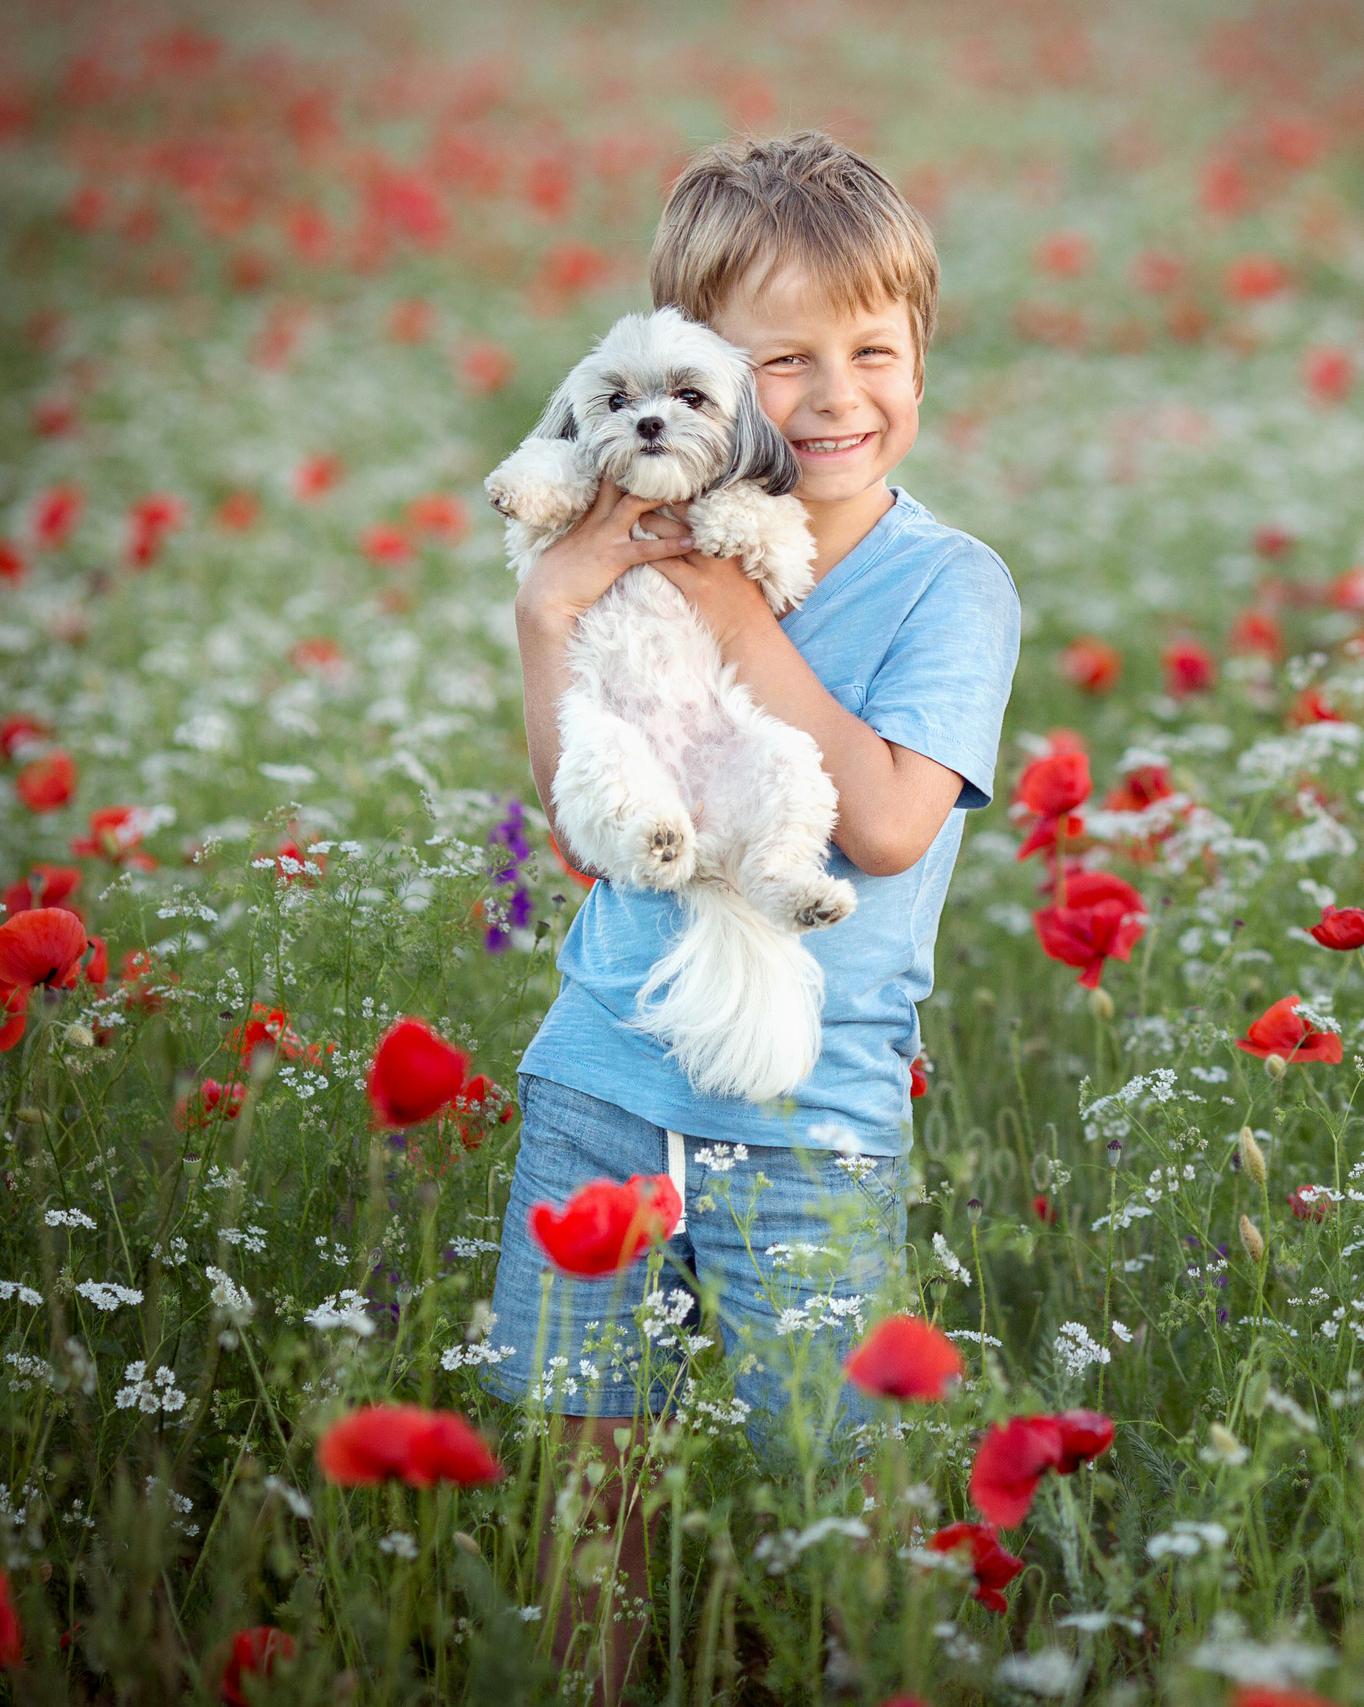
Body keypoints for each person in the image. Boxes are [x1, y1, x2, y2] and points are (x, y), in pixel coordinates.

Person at [484, 130, 1019, 1700]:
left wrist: (722, 603)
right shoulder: (617, 538)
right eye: (783, 361)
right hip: (601, 1077)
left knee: (848, 1492)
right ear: (701, 369)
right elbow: (584, 809)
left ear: (923, 353)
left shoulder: (946, 586)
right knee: (592, 1504)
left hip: (810, 1109)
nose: (838, 396)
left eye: (875, 349)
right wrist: (548, 610)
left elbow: (892, 824)